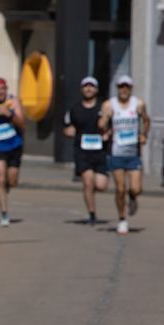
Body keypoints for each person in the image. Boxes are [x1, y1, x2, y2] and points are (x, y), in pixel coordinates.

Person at [99, 75, 149, 235]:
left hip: (133, 153)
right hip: (116, 152)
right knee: (120, 189)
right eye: (121, 86)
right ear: (117, 88)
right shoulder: (109, 104)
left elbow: (146, 120)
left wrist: (143, 134)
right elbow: (100, 124)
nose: (124, 90)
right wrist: (106, 121)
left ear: (131, 88)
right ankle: (122, 219)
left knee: (136, 188)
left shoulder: (138, 104)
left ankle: (133, 197)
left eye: (127, 86)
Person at [63, 76, 108, 225]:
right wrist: (68, 130)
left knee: (101, 185)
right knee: (88, 182)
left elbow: (112, 125)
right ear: (82, 89)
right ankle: (92, 214)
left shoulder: (103, 108)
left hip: (100, 152)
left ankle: (92, 192)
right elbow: (67, 126)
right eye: (86, 86)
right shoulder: (75, 109)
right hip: (82, 152)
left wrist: (108, 133)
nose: (89, 89)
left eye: (92, 86)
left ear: (96, 89)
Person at [0, 78, 26, 227]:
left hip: (14, 146)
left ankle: (8, 184)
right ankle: (4, 213)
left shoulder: (14, 102)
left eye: (3, 88)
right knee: (0, 177)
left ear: (6, 89)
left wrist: (9, 114)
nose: (0, 91)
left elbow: (22, 124)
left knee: (11, 181)